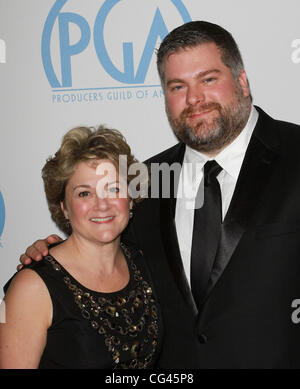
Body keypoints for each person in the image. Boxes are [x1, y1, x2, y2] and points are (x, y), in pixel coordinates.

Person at [18, 20, 300, 368]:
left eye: (208, 79)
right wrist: (50, 253)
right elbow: (104, 254)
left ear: (242, 81)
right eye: (177, 86)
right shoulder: (142, 183)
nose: (194, 98)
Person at [0, 126, 163, 369]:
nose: (102, 205)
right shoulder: (31, 287)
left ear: (130, 197)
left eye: (113, 188)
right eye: (84, 193)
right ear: (64, 207)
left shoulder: (142, 261)